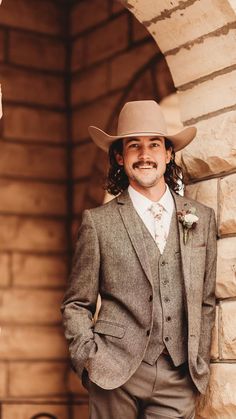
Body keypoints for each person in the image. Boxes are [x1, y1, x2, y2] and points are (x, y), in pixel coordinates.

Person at [61, 100, 217, 419]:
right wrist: (89, 359)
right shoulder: (98, 222)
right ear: (120, 156)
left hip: (178, 379)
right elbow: (76, 303)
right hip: (113, 373)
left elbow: (206, 301)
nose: (145, 155)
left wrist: (197, 361)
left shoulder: (201, 217)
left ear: (168, 153)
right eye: (135, 146)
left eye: (154, 145)